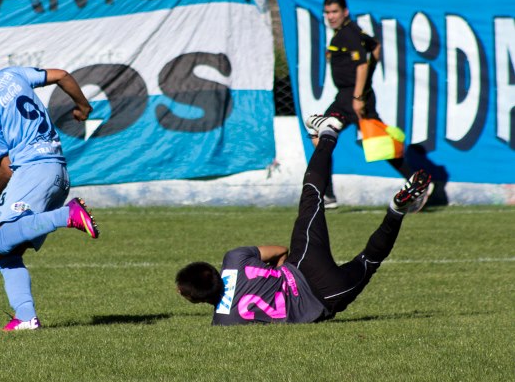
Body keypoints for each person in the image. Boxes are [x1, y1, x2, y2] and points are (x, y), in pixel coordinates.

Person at [175, 112, 432, 325]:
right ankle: (329, 133)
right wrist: (278, 278)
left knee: (370, 259)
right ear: (210, 268)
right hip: (303, 266)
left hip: (327, 295)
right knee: (312, 197)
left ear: (194, 299)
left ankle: (396, 210)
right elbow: (280, 250)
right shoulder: (234, 258)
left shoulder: (225, 321)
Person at [0, 52, 100, 331]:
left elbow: (6, 166)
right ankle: (25, 317)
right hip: (58, 172)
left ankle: (68, 215)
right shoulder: (12, 75)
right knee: (8, 253)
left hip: (33, 171)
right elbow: (61, 74)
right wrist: (83, 106)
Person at [315, 0, 413, 208]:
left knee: (380, 144)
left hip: (353, 97)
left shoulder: (348, 34)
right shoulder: (350, 31)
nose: (331, 17)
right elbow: (375, 46)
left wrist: (359, 95)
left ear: (345, 12)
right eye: (327, 13)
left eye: (335, 12)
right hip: (346, 97)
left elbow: (360, 63)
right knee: (323, 135)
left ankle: (416, 182)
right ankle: (328, 195)